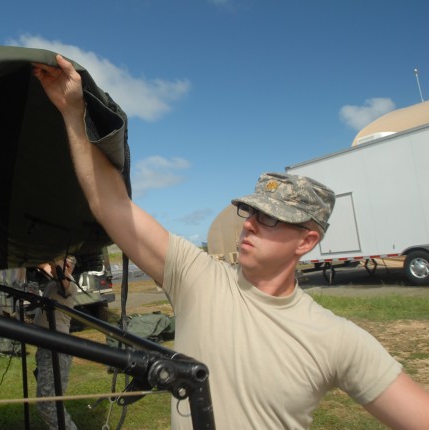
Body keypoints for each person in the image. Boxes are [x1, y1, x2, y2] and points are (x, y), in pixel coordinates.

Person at [32, 55, 429, 429]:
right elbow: (113, 206)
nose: (250, 225)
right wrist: (71, 110)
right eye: (251, 212)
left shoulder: (338, 339)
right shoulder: (197, 278)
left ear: (306, 241)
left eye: (271, 218)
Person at [32, 256, 78, 430]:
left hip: (56, 350)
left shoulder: (68, 284)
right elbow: (43, 265)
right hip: (47, 348)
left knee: (48, 405)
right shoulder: (54, 281)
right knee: (49, 402)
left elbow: (60, 276)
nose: (50, 268)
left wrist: (56, 257)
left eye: (55, 265)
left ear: (66, 265)